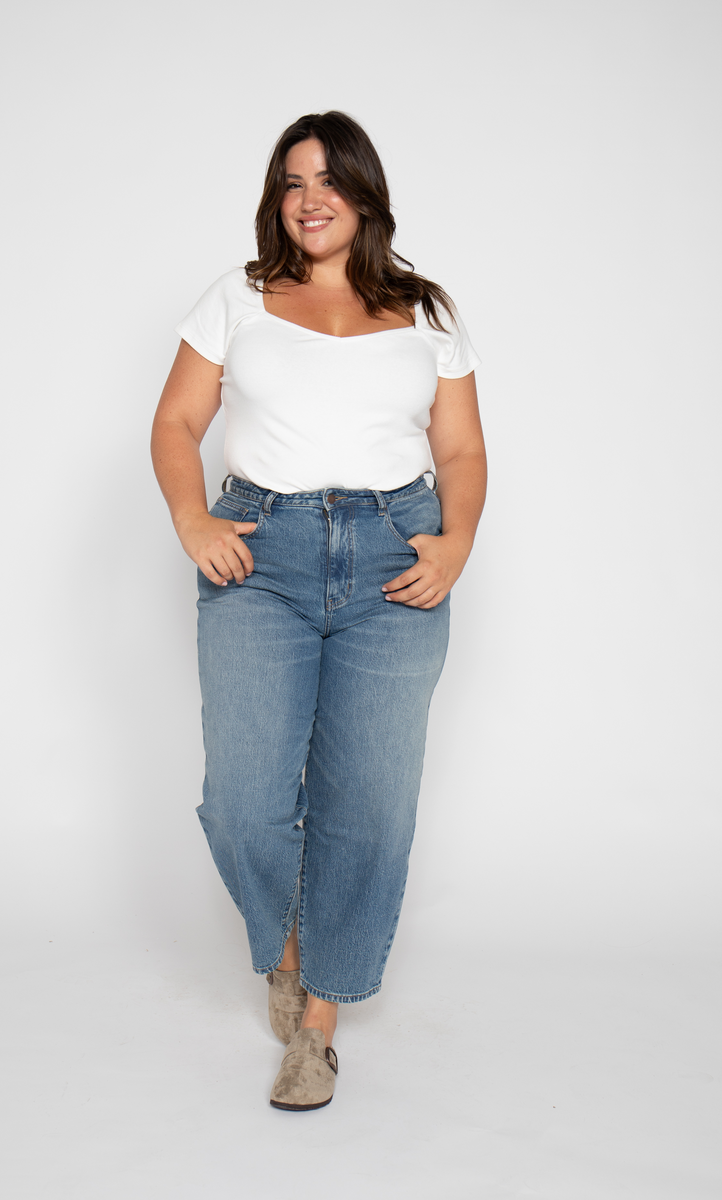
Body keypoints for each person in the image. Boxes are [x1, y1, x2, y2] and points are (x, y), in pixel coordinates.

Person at [151, 111, 486, 1111]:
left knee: (369, 809)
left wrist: (455, 540)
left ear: (363, 194)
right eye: (292, 182)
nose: (309, 199)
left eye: (328, 180)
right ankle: (289, 953)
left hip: (394, 561)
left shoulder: (424, 311)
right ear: (275, 197)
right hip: (261, 556)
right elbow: (176, 419)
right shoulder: (238, 299)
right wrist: (191, 517)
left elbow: (461, 450)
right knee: (244, 803)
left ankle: (316, 1027)